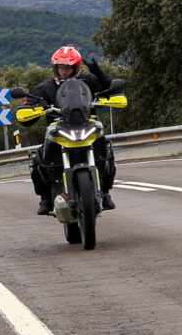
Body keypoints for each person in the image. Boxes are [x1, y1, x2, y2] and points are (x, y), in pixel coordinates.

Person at [20, 46, 118, 215]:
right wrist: (32, 108)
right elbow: (27, 104)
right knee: (39, 160)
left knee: (106, 152)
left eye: (67, 67)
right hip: (58, 131)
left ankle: (106, 192)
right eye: (60, 67)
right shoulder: (45, 88)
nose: (63, 71)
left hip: (87, 126)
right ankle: (45, 198)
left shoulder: (88, 80)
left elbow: (111, 88)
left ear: (76, 67)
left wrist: (97, 71)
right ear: (55, 67)